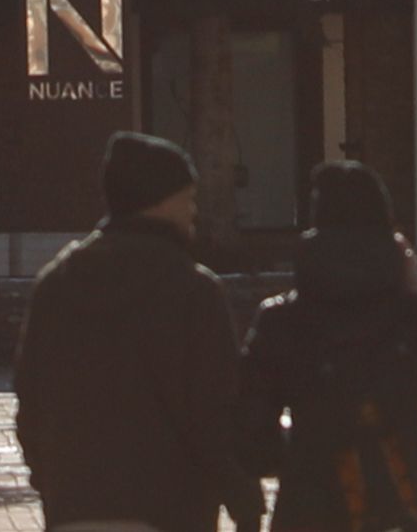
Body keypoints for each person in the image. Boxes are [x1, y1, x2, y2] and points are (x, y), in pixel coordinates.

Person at [22, 130, 249, 532]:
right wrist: (239, 491)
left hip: (76, 507)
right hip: (172, 509)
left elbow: (30, 397)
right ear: (161, 201)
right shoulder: (193, 290)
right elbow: (214, 410)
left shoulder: (56, 284)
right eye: (188, 198)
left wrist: (52, 484)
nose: (193, 211)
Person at [249, 160, 417, 532]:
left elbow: (252, 435)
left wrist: (304, 451)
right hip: (403, 500)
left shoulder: (282, 319)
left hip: (308, 509)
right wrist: (416, 293)